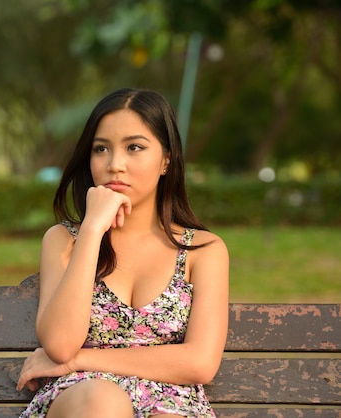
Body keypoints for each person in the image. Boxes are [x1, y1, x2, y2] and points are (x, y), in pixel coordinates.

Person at [16, 88, 229, 418]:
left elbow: (200, 362)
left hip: (172, 401)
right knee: (102, 403)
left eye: (134, 148)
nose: (115, 165)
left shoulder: (203, 250)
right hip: (83, 395)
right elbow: (58, 344)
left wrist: (81, 358)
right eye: (101, 149)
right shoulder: (63, 240)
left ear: (166, 159)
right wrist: (91, 230)